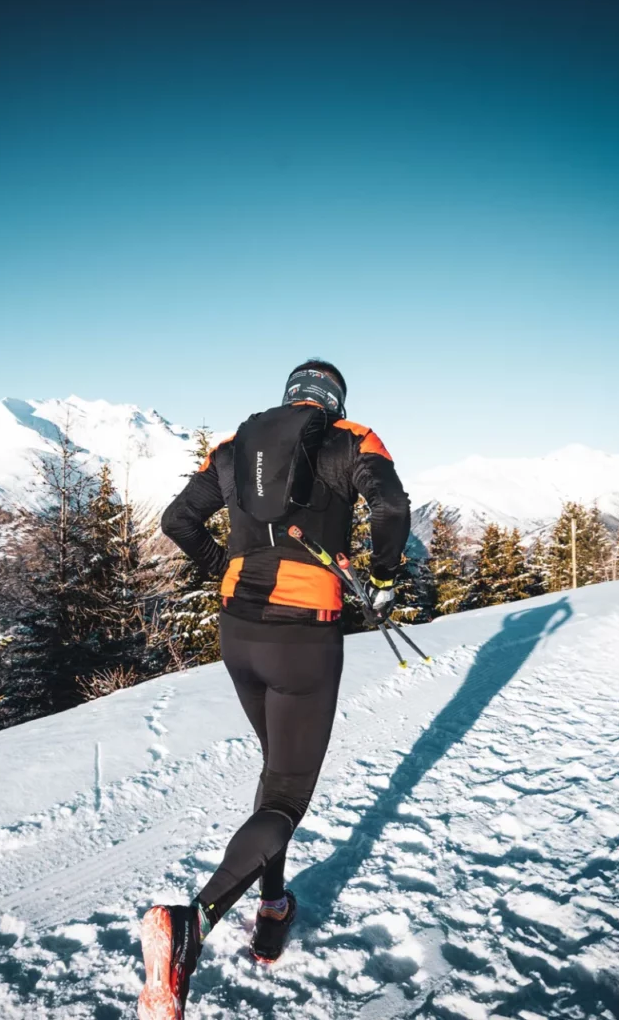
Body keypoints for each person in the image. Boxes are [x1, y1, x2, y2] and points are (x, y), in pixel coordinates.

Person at [141, 360, 411, 1020]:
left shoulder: (235, 451)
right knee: (287, 793)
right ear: (334, 400)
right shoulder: (352, 441)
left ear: (287, 398)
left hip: (238, 633)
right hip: (304, 639)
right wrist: (382, 569)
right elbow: (392, 508)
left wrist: (221, 567)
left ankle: (271, 910)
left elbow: (178, 519)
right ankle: (190, 924)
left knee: (274, 770)